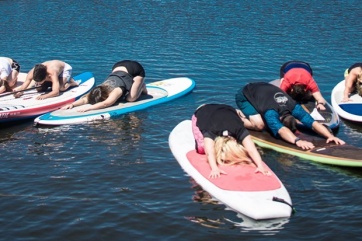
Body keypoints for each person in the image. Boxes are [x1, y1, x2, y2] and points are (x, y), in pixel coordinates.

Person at [235, 82, 345, 150]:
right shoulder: (271, 113)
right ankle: (236, 114)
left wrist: (329, 136)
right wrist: (297, 141)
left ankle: (253, 113)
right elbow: (281, 129)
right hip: (245, 94)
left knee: (265, 120)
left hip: (264, 90)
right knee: (259, 125)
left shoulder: (293, 106)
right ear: (280, 118)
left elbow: (312, 123)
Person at [192, 103, 271, 179]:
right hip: (202, 109)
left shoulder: (239, 129)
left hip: (229, 110)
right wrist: (214, 168)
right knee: (201, 148)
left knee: (243, 134)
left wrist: (260, 165)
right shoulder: (211, 131)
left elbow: (252, 150)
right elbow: (210, 152)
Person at [61, 60, 147, 112]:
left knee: (130, 99)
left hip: (135, 69)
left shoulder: (117, 90)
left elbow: (106, 103)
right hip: (118, 66)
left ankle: (141, 85)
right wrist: (72, 105)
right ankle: (135, 85)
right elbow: (85, 100)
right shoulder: (99, 88)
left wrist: (89, 109)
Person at [13, 60, 79, 100]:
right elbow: (24, 86)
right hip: (49, 74)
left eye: (40, 81)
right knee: (39, 89)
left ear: (46, 77)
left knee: (61, 88)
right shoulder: (31, 73)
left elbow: (56, 92)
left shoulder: (52, 72)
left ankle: (71, 83)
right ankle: (50, 84)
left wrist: (45, 96)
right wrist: (19, 92)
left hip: (64, 69)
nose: (38, 83)